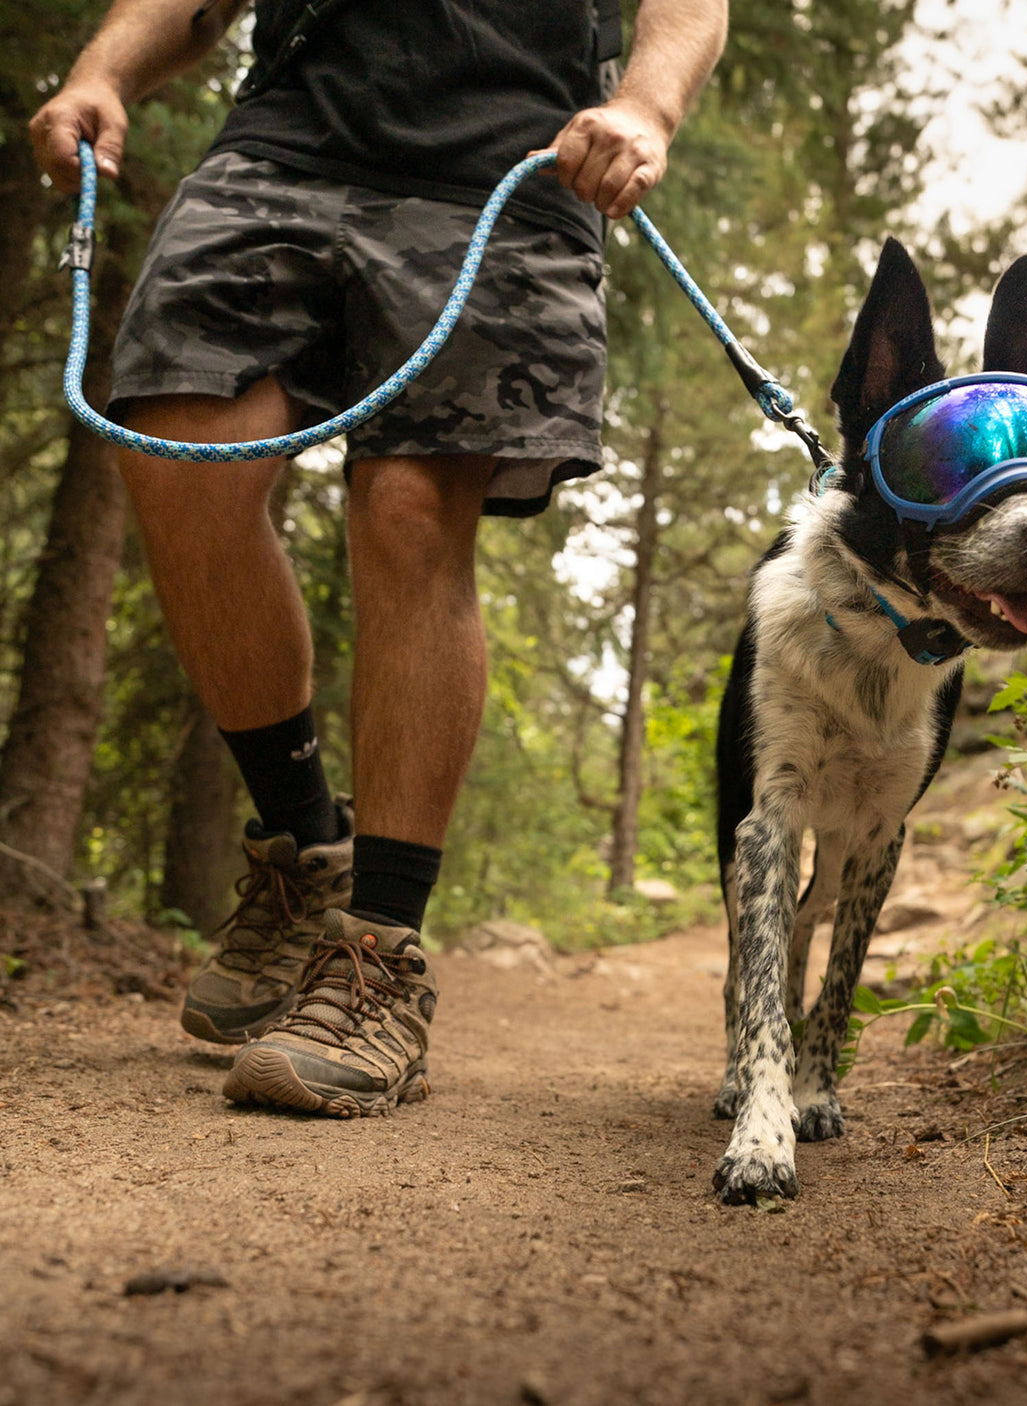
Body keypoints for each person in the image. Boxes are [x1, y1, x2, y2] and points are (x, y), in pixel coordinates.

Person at [29, 0, 728, 1117]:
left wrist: (644, 106)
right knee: (181, 452)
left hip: (519, 158)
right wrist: (101, 72)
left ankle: (378, 954)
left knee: (409, 503)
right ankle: (306, 841)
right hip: (289, 135)